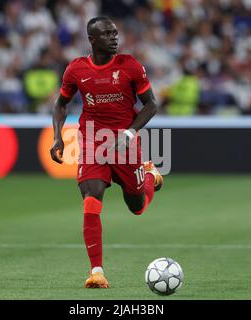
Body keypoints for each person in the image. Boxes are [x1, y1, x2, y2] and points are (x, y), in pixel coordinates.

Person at [50, 16, 163, 288]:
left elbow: (151, 105)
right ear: (92, 39)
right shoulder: (76, 69)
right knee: (91, 196)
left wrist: (129, 132)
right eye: (108, 34)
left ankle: (149, 175)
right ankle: (97, 272)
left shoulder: (130, 66)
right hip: (92, 141)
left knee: (136, 206)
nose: (115, 38)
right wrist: (57, 137)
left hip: (125, 142)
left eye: (115, 33)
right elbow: (61, 104)